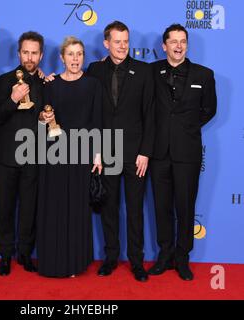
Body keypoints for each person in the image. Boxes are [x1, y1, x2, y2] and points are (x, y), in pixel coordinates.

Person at [87, 21, 155, 282]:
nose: (123, 45)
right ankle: (111, 257)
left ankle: (137, 261)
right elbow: (87, 105)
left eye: (126, 41)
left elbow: (150, 114)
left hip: (136, 154)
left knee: (135, 209)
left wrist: (146, 151)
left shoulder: (144, 71)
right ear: (106, 43)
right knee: (109, 208)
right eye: (117, 41)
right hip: (105, 153)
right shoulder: (94, 70)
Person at [148, 24, 217, 281]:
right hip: (158, 152)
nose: (178, 46)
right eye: (173, 41)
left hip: (187, 152)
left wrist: (185, 127)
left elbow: (209, 109)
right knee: (161, 206)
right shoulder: (151, 71)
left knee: (186, 207)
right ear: (164, 45)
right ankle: (164, 256)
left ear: (187, 45)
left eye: (183, 41)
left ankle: (182, 258)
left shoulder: (204, 75)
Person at [37, 36, 102, 277]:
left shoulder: (93, 85)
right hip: (53, 154)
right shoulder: (50, 86)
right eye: (71, 54)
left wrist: (97, 155)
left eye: (79, 54)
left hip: (81, 154)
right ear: (62, 57)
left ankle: (75, 263)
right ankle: (52, 262)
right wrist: (43, 119)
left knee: (76, 209)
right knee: (54, 207)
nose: (75, 59)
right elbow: (43, 119)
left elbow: (98, 120)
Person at [0, 31, 45, 275]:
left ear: (41, 55)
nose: (29, 57)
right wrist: (13, 99)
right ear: (18, 53)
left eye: (34, 53)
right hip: (5, 157)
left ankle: (25, 253)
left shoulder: (46, 84)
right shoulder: (3, 81)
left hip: (34, 157)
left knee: (29, 208)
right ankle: (5, 255)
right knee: (4, 208)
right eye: (25, 52)